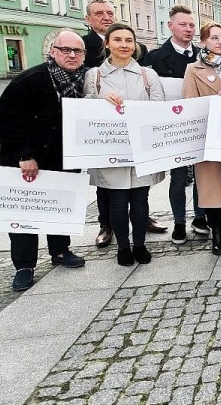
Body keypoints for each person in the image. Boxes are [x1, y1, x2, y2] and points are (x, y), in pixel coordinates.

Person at [0, 30, 87, 291]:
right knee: (24, 214)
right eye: (66, 50)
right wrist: (24, 155)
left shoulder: (84, 80)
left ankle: (60, 250)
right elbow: (5, 123)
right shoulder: (31, 80)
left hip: (63, 157)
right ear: (53, 51)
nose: (72, 55)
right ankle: (24, 266)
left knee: (60, 206)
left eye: (77, 51)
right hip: (26, 160)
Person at [84, 23, 166, 266]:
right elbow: (84, 108)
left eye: (128, 40)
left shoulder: (147, 75)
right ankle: (122, 247)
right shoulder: (95, 75)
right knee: (117, 202)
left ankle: (139, 244)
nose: (124, 45)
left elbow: (159, 109)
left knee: (140, 200)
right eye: (118, 40)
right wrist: (100, 100)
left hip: (140, 148)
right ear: (107, 43)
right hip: (111, 149)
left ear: (135, 45)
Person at [142, 5, 207, 244]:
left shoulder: (203, 55)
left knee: (201, 174)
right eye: (183, 24)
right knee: (179, 177)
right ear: (170, 26)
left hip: (199, 123)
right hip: (173, 126)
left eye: (191, 25)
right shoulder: (155, 57)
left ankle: (200, 217)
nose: (188, 29)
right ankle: (179, 222)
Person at [182, 22, 221, 255]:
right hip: (207, 138)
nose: (220, 42)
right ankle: (216, 234)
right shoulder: (193, 69)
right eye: (214, 38)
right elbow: (190, 104)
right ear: (204, 41)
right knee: (211, 191)